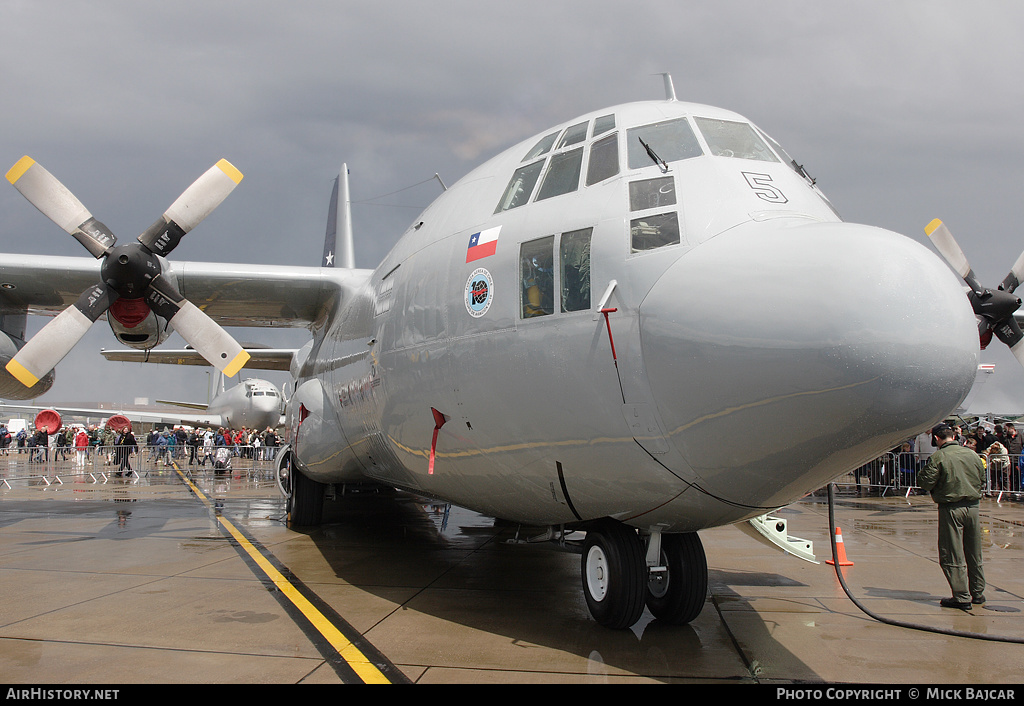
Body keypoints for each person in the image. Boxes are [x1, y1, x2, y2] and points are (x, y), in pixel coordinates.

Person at [917, 423, 986, 611]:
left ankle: (962, 596)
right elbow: (983, 479)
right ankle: (977, 593)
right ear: (954, 437)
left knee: (951, 552)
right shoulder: (972, 455)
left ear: (937, 439)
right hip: (973, 507)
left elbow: (925, 482)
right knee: (974, 550)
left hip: (951, 508)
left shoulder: (939, 456)